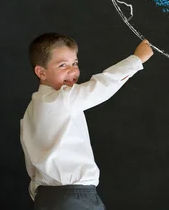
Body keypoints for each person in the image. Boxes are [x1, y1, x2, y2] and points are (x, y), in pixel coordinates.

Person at [20, 32, 154, 209]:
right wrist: (137, 60)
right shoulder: (61, 99)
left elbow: (32, 163)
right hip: (71, 197)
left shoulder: (32, 110)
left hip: (49, 196)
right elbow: (100, 86)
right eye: (62, 65)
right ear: (41, 72)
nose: (73, 71)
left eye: (75, 63)